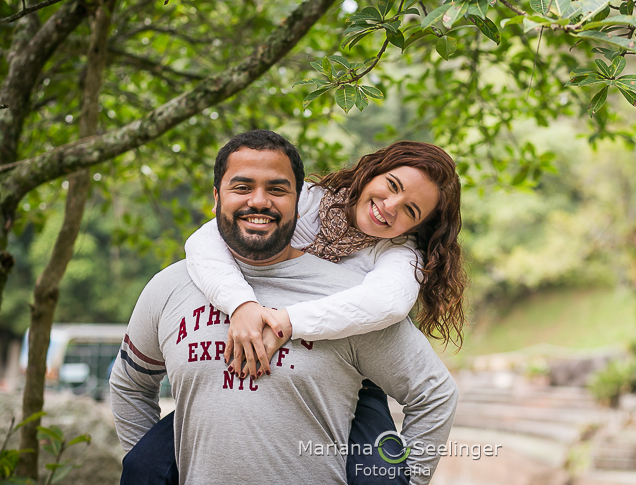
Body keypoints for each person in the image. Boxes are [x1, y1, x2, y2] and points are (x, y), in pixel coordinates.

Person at [110, 130, 459, 485]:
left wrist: (287, 321)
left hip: (354, 377)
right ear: (371, 171)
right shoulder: (309, 199)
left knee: (382, 479)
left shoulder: (398, 256)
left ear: (419, 225)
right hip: (227, 392)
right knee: (143, 469)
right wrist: (241, 304)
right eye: (392, 185)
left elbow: (387, 303)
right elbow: (206, 238)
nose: (389, 206)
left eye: (409, 210)